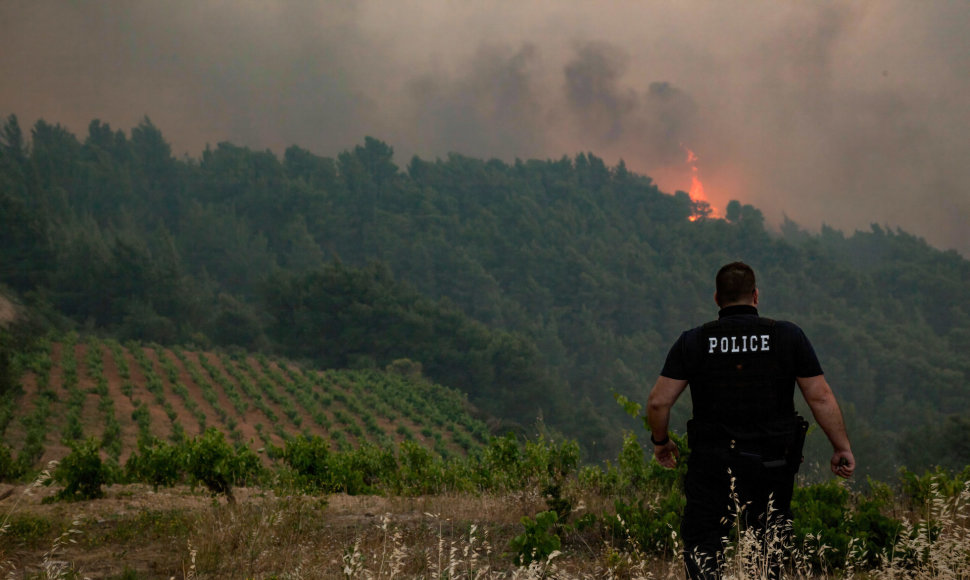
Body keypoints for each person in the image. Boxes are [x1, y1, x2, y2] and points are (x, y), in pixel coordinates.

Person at [646, 261, 855, 580]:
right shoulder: (787, 335)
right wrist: (841, 447)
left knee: (704, 547)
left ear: (717, 299)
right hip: (772, 464)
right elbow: (820, 397)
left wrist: (661, 443)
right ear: (755, 296)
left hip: (712, 464)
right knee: (770, 548)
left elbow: (659, 401)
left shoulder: (695, 341)